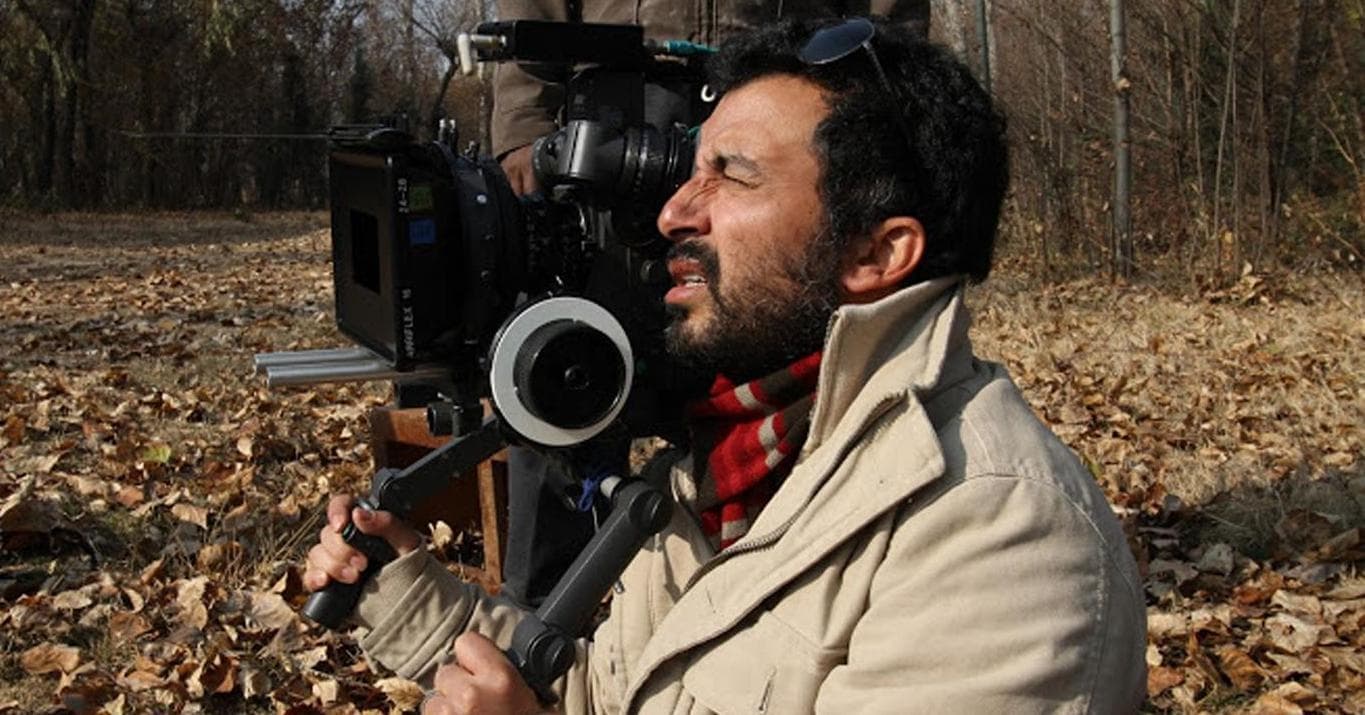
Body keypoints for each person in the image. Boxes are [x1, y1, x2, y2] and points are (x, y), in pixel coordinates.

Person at [306, 17, 1147, 713]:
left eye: (730, 176)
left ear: (877, 252)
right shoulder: (741, 453)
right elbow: (613, 693)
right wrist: (400, 589)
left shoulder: (996, 535)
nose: (672, 212)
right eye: (688, 170)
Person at [493, 0, 933, 609]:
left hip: (785, 90)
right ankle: (539, 621)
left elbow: (892, 16)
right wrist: (523, 125)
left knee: (771, 375)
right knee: (561, 376)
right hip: (612, 98)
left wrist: (890, 102)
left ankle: (759, 611)